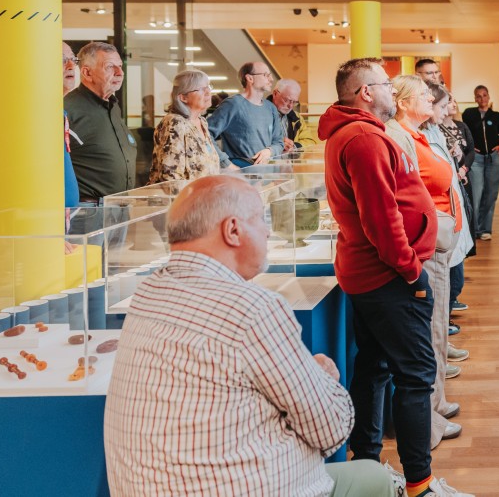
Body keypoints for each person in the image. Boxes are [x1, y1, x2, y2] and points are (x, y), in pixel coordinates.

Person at [104, 175, 391, 496]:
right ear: (232, 230)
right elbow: (333, 430)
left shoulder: (148, 294)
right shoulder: (251, 309)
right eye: (260, 219)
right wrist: (322, 378)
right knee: (372, 474)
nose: (268, 230)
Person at [319, 58, 472, 497]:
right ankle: (419, 485)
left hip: (371, 273)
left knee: (375, 366)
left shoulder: (353, 132)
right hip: (388, 276)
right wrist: (411, 272)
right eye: (386, 83)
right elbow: (382, 220)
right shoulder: (365, 137)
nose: (392, 89)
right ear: (365, 92)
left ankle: (367, 466)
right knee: (415, 373)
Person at [384, 75, 464, 448]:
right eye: (423, 96)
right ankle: (427, 416)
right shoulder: (398, 136)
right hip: (424, 244)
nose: (432, 99)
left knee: (438, 324)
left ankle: (437, 402)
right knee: (429, 330)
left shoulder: (415, 134)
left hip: (436, 240)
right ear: (402, 102)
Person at [64, 41, 137, 204]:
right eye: (110, 67)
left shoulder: (113, 107)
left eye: (120, 66)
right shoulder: (68, 110)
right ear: (87, 73)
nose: (119, 72)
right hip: (89, 214)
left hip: (119, 212)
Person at [147, 69, 221, 184]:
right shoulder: (175, 123)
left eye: (208, 87)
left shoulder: (202, 121)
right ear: (183, 97)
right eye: (201, 89)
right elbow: (171, 177)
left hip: (203, 195)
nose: (208, 93)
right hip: (182, 199)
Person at [208, 61, 284, 167]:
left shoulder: (270, 108)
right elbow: (206, 134)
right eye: (266, 75)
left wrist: (269, 151)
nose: (271, 79)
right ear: (250, 78)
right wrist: (226, 163)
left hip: (266, 176)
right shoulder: (232, 104)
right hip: (241, 175)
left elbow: (279, 142)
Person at [438, 93, 474, 312]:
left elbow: (470, 149)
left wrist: (462, 166)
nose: (449, 106)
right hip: (444, 207)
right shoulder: (432, 131)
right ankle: (446, 310)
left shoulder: (460, 125)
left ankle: (449, 305)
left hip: (459, 186)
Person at [461, 85, 499, 241]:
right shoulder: (469, 114)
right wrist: (470, 147)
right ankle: (473, 229)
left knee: (490, 194)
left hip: (493, 159)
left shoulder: (496, 116)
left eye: (484, 95)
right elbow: (464, 133)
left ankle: (485, 229)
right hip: (477, 160)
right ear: (475, 98)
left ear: (489, 97)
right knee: (476, 193)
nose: (482, 99)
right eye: (478, 96)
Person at [62, 42, 80, 210]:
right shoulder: (36, 116)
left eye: (73, 60)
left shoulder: (60, 113)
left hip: (67, 219)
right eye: (62, 60)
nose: (70, 66)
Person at [268, 78, 304, 152]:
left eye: (294, 102)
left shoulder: (297, 118)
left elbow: (310, 140)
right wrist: (277, 144)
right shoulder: (260, 115)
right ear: (275, 93)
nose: (290, 106)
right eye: (287, 100)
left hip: (289, 162)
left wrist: (294, 146)